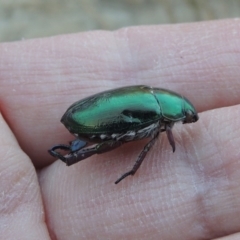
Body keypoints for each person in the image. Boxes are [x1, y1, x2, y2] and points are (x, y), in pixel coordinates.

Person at [0, 19, 239, 240]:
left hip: (86, 115)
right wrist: (134, 169)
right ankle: (73, 155)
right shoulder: (157, 118)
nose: (187, 119)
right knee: (117, 140)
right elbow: (145, 148)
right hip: (91, 120)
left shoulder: (153, 99)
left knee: (118, 140)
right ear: (173, 114)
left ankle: (73, 153)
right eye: (185, 116)